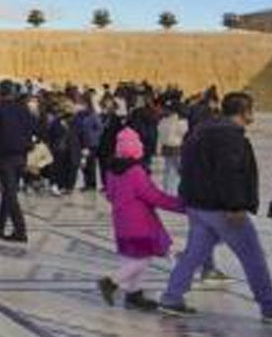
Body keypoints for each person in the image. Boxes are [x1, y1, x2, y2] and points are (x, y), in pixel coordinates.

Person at [159, 92, 272, 321]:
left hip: (198, 207)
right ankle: (269, 306)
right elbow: (229, 173)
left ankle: (172, 298)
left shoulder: (201, 131)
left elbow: (186, 167)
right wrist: (236, 205)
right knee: (253, 256)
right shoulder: (229, 136)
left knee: (194, 255)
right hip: (222, 209)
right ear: (245, 111)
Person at [97, 127, 183, 311]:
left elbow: (110, 195)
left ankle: (133, 295)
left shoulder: (111, 170)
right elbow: (152, 195)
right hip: (140, 222)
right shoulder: (135, 170)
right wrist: (179, 205)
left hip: (121, 221)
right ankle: (111, 282)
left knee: (130, 258)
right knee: (142, 259)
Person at [0, 81, 35, 244]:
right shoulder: (24, 110)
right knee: (9, 192)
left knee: (10, 194)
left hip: (4, 158)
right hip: (22, 157)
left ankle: (20, 231)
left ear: (0, 93)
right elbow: (33, 130)